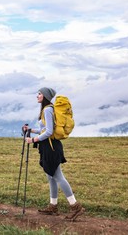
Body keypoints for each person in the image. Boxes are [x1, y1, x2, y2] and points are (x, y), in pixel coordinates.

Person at [23, 87, 85, 221]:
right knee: (50, 176)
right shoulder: (48, 109)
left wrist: (33, 140)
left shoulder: (47, 110)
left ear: (44, 96)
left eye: (39, 93)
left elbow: (49, 132)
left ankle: (76, 207)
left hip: (51, 147)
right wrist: (31, 130)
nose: (37, 96)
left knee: (58, 176)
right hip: (49, 146)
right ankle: (53, 206)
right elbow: (43, 129)